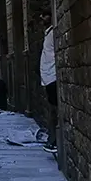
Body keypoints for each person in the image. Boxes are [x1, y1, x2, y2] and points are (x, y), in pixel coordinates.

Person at [40, 22, 57, 151]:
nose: (41, 18)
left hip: (52, 76)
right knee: (52, 109)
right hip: (49, 76)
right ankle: (52, 140)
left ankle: (54, 141)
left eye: (45, 15)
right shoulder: (48, 33)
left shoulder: (53, 33)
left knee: (54, 110)